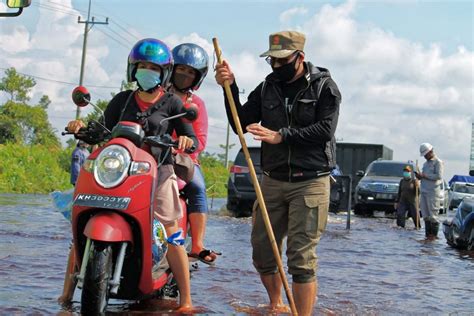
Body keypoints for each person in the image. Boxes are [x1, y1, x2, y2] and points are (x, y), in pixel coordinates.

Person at [62, 38, 197, 310]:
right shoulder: (122, 100)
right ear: (132, 70)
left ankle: (187, 300)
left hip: (158, 171)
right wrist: (80, 126)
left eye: (154, 68)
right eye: (142, 66)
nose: (147, 71)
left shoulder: (172, 103)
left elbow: (189, 136)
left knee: (172, 233)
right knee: (80, 224)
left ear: (164, 73)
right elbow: (101, 126)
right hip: (120, 171)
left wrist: (185, 141)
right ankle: (65, 296)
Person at [215, 30, 341, 315]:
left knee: (301, 258)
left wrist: (281, 136)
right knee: (262, 252)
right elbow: (241, 123)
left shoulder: (324, 87)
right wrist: (230, 88)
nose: (276, 67)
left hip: (310, 181)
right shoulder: (267, 87)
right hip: (272, 181)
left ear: (300, 57)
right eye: (272, 61)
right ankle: (276, 304)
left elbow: (325, 130)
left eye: (282, 61)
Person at [169, 43, 221, 265]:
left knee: (198, 187)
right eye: (181, 69)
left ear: (197, 78)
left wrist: (185, 145)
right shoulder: (155, 95)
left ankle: (197, 243)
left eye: (190, 72)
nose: (184, 75)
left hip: (183, 159)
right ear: (171, 69)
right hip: (148, 155)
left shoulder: (196, 104)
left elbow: (200, 139)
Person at [416, 142, 444, 239]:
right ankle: (428, 237)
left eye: (425, 154)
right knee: (425, 215)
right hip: (424, 191)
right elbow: (424, 177)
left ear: (430, 151)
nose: (425, 157)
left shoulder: (438, 162)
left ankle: (433, 238)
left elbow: (439, 176)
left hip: (433, 192)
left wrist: (425, 176)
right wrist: (420, 176)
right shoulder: (425, 164)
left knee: (433, 216)